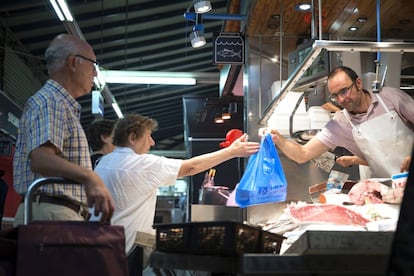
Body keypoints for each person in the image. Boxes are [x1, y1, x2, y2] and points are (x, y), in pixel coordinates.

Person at [94, 114, 260, 268]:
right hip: (123, 252)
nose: (152, 142)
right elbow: (190, 167)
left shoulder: (104, 162)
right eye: (148, 136)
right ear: (132, 138)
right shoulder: (140, 164)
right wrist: (232, 151)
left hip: (99, 247)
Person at [13, 34, 114, 225]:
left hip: (54, 213)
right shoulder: (51, 102)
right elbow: (41, 159)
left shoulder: (59, 105)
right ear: (74, 62)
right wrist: (90, 177)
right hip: (52, 214)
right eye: (93, 65)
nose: (94, 74)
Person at [260, 66, 414, 178]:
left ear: (358, 83)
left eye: (344, 91)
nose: (341, 100)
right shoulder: (339, 124)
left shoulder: (390, 97)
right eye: (335, 96)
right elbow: (303, 154)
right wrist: (278, 138)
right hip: (387, 188)